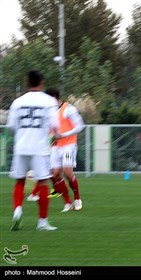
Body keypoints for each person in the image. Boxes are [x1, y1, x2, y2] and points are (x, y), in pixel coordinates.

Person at [7, 70, 59, 231]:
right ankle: (42, 222)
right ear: (42, 82)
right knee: (43, 182)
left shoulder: (18, 101)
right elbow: (56, 125)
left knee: (20, 181)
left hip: (21, 146)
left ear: (27, 82)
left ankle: (17, 211)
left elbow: (10, 126)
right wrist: (56, 136)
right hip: (39, 147)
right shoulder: (49, 101)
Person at [27, 87, 85, 211]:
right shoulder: (49, 112)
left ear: (54, 97)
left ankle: (77, 198)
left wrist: (63, 135)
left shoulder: (68, 109)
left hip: (69, 146)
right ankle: (67, 203)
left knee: (68, 173)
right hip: (56, 147)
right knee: (55, 174)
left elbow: (80, 126)